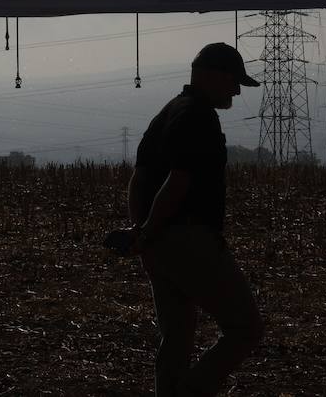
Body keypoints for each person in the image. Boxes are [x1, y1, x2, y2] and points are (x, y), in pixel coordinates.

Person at [124, 42, 264, 397]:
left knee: (177, 336)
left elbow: (139, 179)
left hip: (156, 245)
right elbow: (179, 180)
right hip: (190, 240)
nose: (235, 90)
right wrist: (152, 228)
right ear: (213, 76)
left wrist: (142, 233)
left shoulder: (166, 113)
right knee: (246, 328)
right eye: (234, 81)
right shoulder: (199, 116)